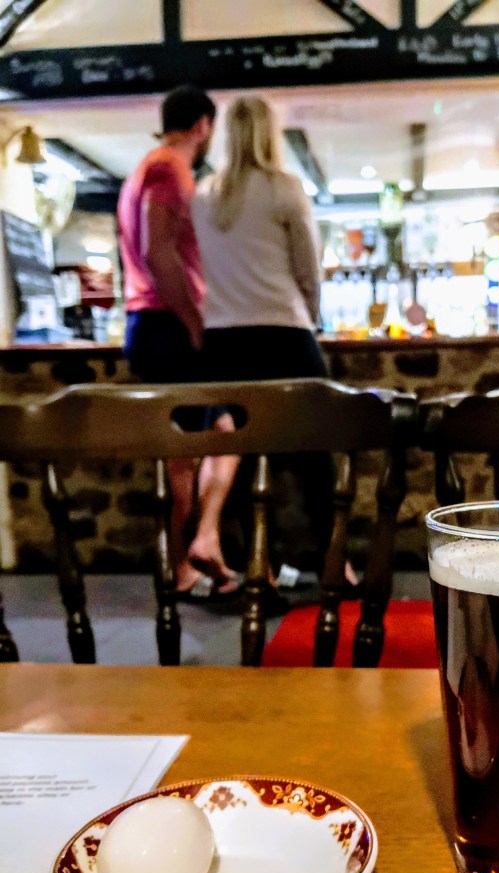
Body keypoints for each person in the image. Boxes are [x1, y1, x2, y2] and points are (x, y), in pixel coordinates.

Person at [192, 96, 355, 587]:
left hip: (223, 341)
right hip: (284, 333)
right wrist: (313, 320)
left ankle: (256, 565)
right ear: (269, 133)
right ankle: (335, 563)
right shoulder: (285, 188)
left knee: (239, 456)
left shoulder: (204, 195)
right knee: (317, 457)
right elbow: (308, 269)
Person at [118, 84, 239, 599]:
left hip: (154, 322)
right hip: (166, 324)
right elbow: (159, 250)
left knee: (226, 430)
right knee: (183, 456)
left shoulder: (147, 169)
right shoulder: (169, 168)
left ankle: (205, 542)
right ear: (203, 125)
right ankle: (179, 566)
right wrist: (193, 321)